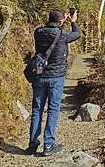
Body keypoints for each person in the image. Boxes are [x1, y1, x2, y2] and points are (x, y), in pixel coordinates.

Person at [27, 8, 80, 156]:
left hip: (39, 75)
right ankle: (48, 144)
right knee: (53, 109)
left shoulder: (38, 32)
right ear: (61, 21)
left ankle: (32, 143)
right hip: (56, 77)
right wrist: (73, 21)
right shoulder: (62, 34)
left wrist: (62, 20)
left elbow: (47, 30)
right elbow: (76, 34)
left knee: (37, 110)